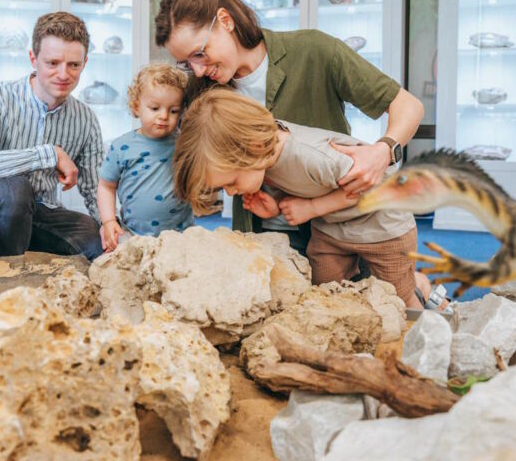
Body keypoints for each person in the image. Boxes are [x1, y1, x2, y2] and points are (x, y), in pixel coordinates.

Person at [155, 0, 446, 308]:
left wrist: (382, 151)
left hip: (349, 218)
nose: (197, 69)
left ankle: (420, 285)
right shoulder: (204, 92)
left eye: (199, 53)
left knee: (386, 299)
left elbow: (408, 106)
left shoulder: (313, 50)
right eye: (186, 62)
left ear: (225, 21)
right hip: (274, 227)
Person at [173, 89, 425, 309]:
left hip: (384, 228)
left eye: (231, 182)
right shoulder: (264, 155)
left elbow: (374, 185)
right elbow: (307, 186)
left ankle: (426, 307)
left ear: (254, 147)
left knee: (400, 297)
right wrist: (277, 207)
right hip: (333, 232)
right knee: (325, 292)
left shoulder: (313, 156)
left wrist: (312, 208)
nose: (230, 192)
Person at [0, 12, 104, 260]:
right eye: (52, 63)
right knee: (14, 190)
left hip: (40, 216)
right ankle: (5, 274)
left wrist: (108, 224)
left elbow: (94, 187)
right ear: (33, 59)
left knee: (92, 234)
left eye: (73, 65)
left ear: (84, 63)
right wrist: (49, 154)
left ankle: (29, 259)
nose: (64, 75)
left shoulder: (86, 119)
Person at [97, 64, 194, 252]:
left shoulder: (184, 143)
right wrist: (108, 220)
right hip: (134, 234)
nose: (164, 116)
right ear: (136, 107)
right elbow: (106, 186)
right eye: (155, 108)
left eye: (173, 110)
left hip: (180, 235)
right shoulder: (122, 147)